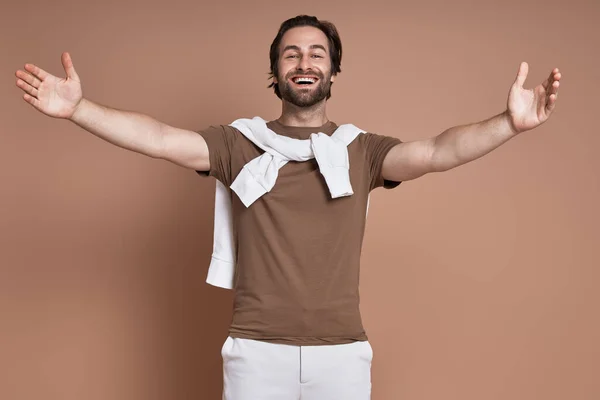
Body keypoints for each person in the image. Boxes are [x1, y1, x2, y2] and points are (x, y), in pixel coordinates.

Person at [14, 14, 561, 400]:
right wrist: (80, 109)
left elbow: (439, 151)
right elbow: (157, 137)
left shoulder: (362, 151)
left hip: (343, 355)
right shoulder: (236, 144)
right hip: (256, 353)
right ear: (275, 71)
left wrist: (508, 124)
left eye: (317, 54)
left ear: (333, 72)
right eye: (291, 53)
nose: (305, 62)